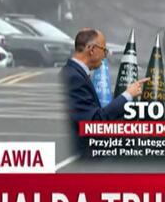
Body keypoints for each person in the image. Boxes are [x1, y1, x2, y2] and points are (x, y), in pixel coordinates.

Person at [61, 28, 148, 157]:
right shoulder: (75, 78)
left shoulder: (75, 73)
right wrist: (127, 95)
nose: (105, 55)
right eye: (104, 50)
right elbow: (95, 122)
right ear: (92, 50)